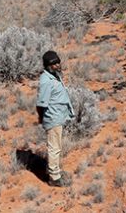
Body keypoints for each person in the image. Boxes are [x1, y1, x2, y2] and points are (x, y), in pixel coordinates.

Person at [36, 50, 75, 187]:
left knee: (56, 146)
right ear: (47, 65)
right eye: (54, 63)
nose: (57, 65)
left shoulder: (54, 76)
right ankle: (54, 178)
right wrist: (43, 119)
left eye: (58, 62)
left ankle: (54, 171)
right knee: (54, 148)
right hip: (53, 118)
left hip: (57, 117)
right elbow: (41, 104)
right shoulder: (46, 81)